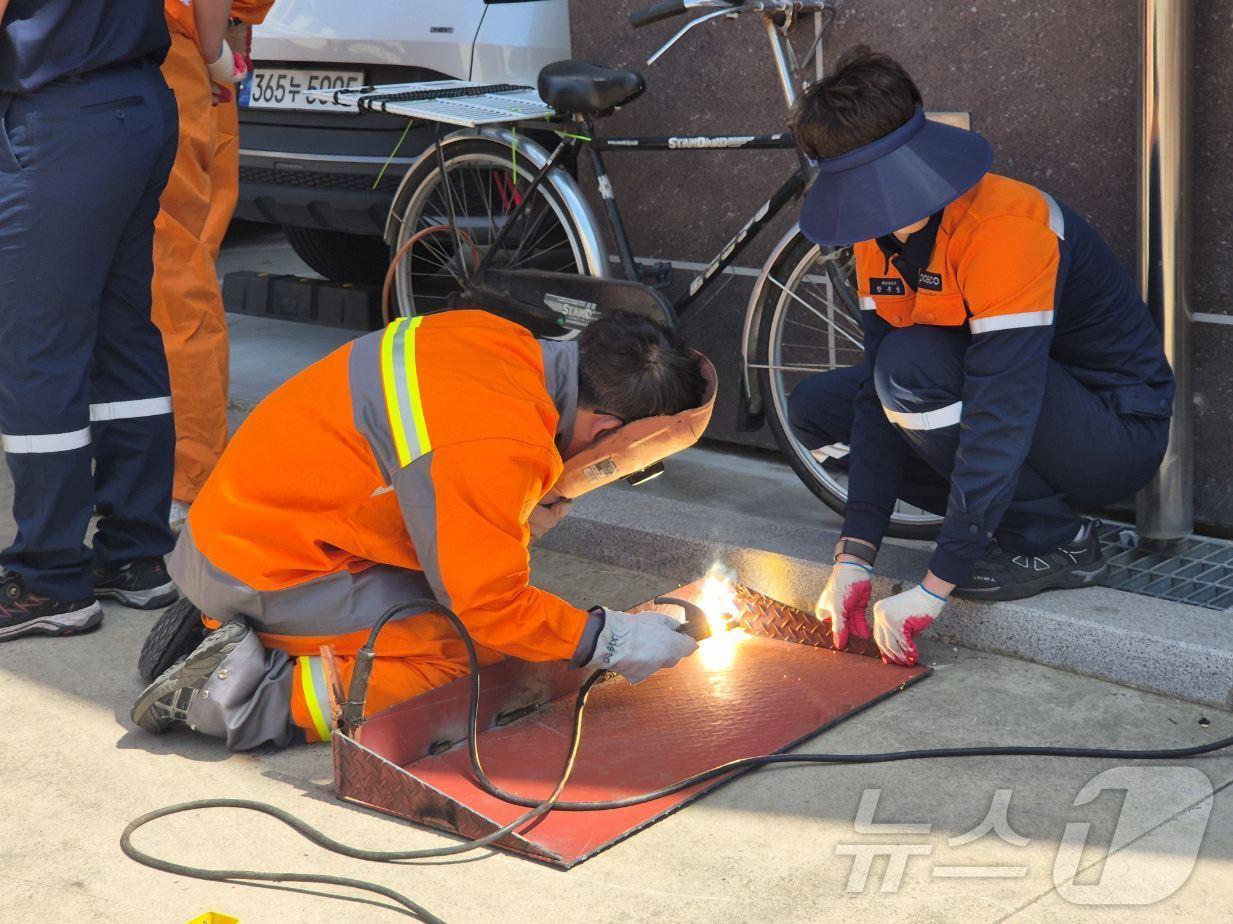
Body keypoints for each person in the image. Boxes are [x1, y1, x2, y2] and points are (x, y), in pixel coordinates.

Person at [131, 310, 709, 749]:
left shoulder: (491, 337)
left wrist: (517, 517)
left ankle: (236, 627)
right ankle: (237, 694)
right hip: (270, 566)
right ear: (605, 427)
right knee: (461, 659)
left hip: (241, 527)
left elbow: (422, 481)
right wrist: (608, 639)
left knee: (513, 631)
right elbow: (491, 605)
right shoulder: (501, 441)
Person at [789, 48, 1174, 666]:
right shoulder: (874, 236)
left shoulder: (1006, 227)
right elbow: (873, 400)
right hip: (1006, 400)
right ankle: (1020, 513)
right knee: (817, 410)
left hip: (1111, 432)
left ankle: (1057, 540)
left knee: (911, 370)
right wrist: (854, 554)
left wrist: (936, 584)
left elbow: (1002, 406)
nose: (876, 204)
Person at [0, 0, 182, 643]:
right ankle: (134, 555)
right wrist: (215, 54)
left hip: (60, 118)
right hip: (140, 103)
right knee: (120, 335)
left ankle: (49, 578)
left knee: (36, 346)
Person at [154, 0, 274, 530]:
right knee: (182, 276)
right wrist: (213, 50)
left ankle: (172, 473)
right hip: (182, 57)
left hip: (102, 63)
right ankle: (190, 477)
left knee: (159, 280)